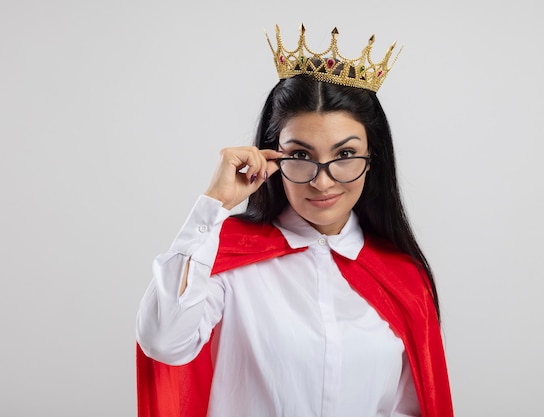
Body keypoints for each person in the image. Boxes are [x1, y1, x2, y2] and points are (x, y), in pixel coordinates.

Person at [136, 24, 454, 417]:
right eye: (301, 156)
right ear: (272, 157)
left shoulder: (401, 276)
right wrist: (214, 203)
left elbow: (412, 408)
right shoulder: (224, 260)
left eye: (345, 155)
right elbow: (164, 341)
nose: (322, 181)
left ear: (373, 161)